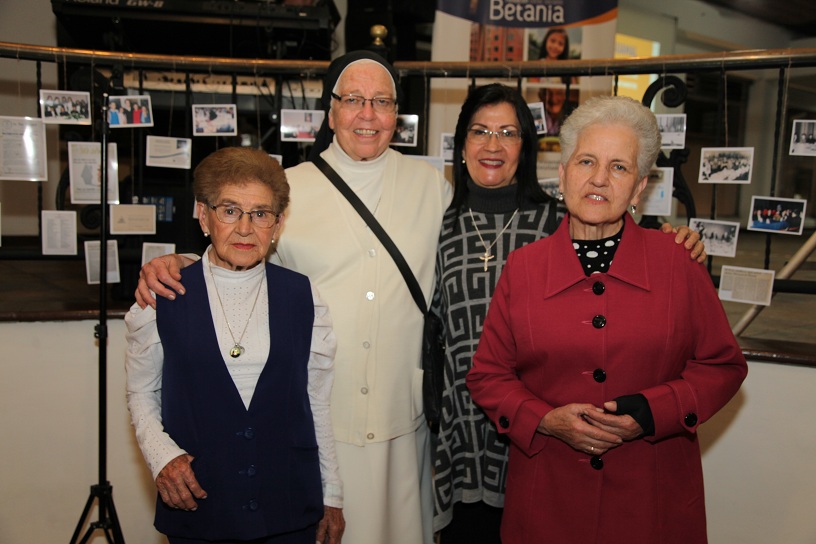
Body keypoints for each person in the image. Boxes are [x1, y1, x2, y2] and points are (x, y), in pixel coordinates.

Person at [135, 51, 451, 544]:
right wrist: (180, 263)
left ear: (397, 114)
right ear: (330, 111)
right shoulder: (290, 190)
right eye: (353, 100)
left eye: (382, 101)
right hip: (311, 423)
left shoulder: (434, 188)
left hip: (399, 418)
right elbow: (240, 270)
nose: (367, 115)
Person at [466, 95, 748, 543]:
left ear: (639, 188)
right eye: (586, 162)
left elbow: (723, 366)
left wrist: (654, 414)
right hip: (548, 503)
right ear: (562, 175)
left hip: (651, 505)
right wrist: (544, 419)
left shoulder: (678, 262)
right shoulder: (523, 268)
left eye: (619, 167)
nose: (599, 178)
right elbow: (488, 376)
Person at [125, 147, 344, 544]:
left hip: (289, 506)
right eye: (229, 210)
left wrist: (332, 495)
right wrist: (162, 457)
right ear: (203, 216)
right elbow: (142, 391)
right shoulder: (162, 295)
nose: (245, 228)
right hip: (201, 506)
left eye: (260, 214)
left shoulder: (303, 297)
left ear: (277, 225)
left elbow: (317, 402)